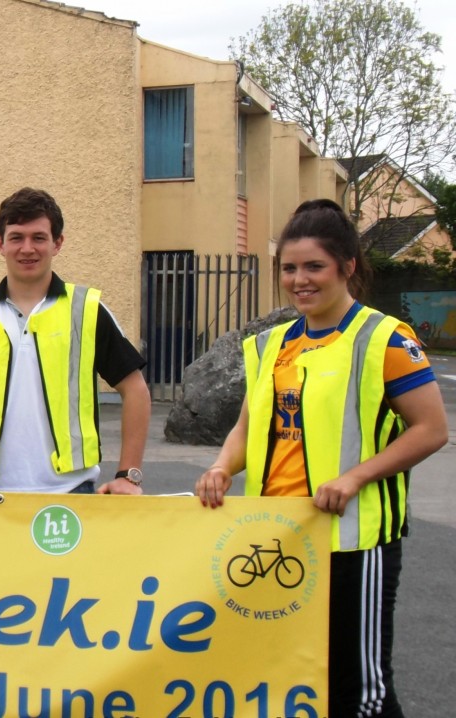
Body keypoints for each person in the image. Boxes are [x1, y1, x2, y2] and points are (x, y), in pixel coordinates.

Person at [194, 199, 447, 717]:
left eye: (314, 267)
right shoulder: (268, 346)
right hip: (277, 537)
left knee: (361, 691)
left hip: (355, 542)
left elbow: (431, 430)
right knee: (292, 678)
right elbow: (248, 426)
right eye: (289, 268)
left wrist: (356, 477)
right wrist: (222, 467)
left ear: (347, 266)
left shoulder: (384, 339)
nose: (299, 280)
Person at [0, 187, 150, 493]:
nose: (27, 248)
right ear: (0, 243)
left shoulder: (86, 311)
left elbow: (135, 390)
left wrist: (128, 474)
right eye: (17, 237)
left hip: (71, 491)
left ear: (57, 243)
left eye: (39, 237)